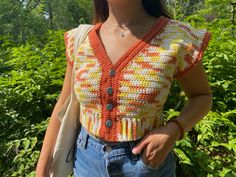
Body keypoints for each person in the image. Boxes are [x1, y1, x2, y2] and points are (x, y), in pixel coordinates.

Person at [36, 0, 213, 176]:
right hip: (86, 163)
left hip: (148, 164)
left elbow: (202, 96)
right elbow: (62, 106)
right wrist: (42, 171)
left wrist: (174, 129)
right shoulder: (79, 40)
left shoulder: (177, 37)